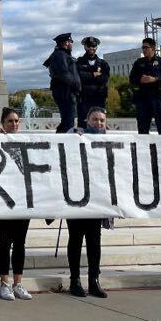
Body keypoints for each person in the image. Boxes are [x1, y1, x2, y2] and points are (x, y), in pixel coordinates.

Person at [66, 107, 110, 299]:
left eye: (102, 120)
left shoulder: (111, 141)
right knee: (75, 240)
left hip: (97, 199)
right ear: (87, 120)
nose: (98, 123)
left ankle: (94, 280)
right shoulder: (76, 135)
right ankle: (74, 280)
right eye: (95, 119)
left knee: (94, 242)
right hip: (76, 197)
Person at [0, 108, 32, 301]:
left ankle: (18, 283)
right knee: (5, 241)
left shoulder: (26, 142)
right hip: (4, 201)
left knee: (20, 243)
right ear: (2, 123)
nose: (14, 125)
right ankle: (4, 283)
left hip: (23, 201)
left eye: (17, 121)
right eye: (10, 121)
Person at [129, 38, 161, 135]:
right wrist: (140, 80)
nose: (144, 50)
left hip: (158, 98)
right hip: (143, 99)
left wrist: (155, 79)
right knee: (143, 129)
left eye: (146, 47)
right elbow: (132, 79)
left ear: (153, 48)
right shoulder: (139, 63)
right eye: (143, 47)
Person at [44, 33, 81, 133]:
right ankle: (61, 142)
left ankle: (60, 140)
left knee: (67, 121)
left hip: (66, 92)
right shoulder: (60, 55)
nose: (71, 45)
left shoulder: (61, 55)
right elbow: (64, 74)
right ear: (66, 43)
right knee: (68, 122)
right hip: (65, 92)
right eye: (70, 42)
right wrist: (77, 85)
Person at [76, 36, 110, 129]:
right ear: (85, 47)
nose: (91, 48)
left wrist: (87, 76)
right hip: (84, 98)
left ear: (96, 47)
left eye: (93, 46)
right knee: (83, 123)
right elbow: (78, 77)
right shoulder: (78, 62)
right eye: (89, 46)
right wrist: (93, 74)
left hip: (99, 98)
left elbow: (104, 79)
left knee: (99, 123)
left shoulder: (103, 63)